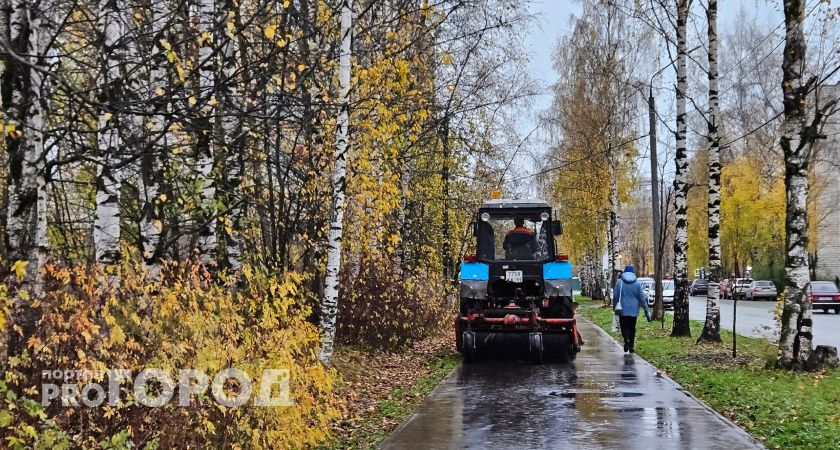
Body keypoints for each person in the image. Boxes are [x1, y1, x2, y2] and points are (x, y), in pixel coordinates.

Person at [612, 265, 651, 353]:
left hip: (622, 309)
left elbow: (615, 296)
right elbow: (642, 298)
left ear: (624, 272)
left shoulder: (619, 282)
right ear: (633, 273)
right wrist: (646, 309)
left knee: (624, 327)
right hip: (634, 310)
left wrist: (614, 307)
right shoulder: (637, 283)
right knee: (632, 328)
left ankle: (626, 340)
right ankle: (632, 346)